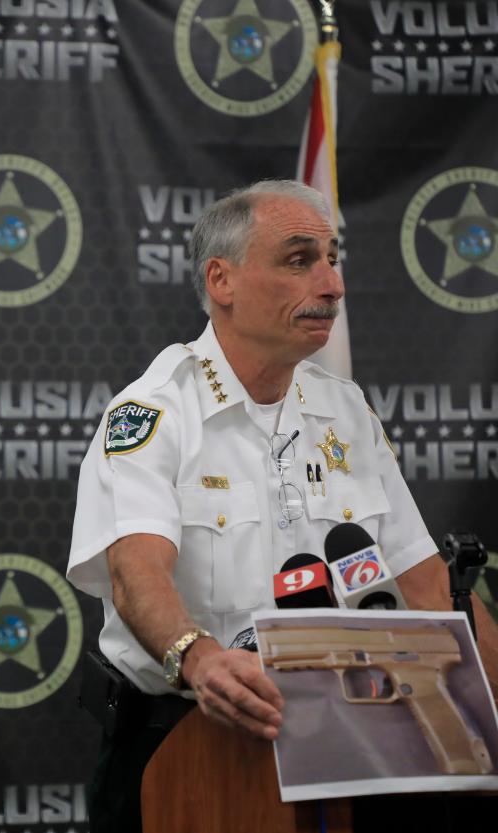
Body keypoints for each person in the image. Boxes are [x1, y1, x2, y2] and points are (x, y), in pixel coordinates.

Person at [66, 180, 498, 833]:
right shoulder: (155, 411)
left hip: (353, 748)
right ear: (222, 280)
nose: (333, 285)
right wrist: (200, 656)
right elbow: (137, 570)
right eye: (300, 260)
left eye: (332, 258)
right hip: (189, 748)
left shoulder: (344, 410)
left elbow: (427, 584)